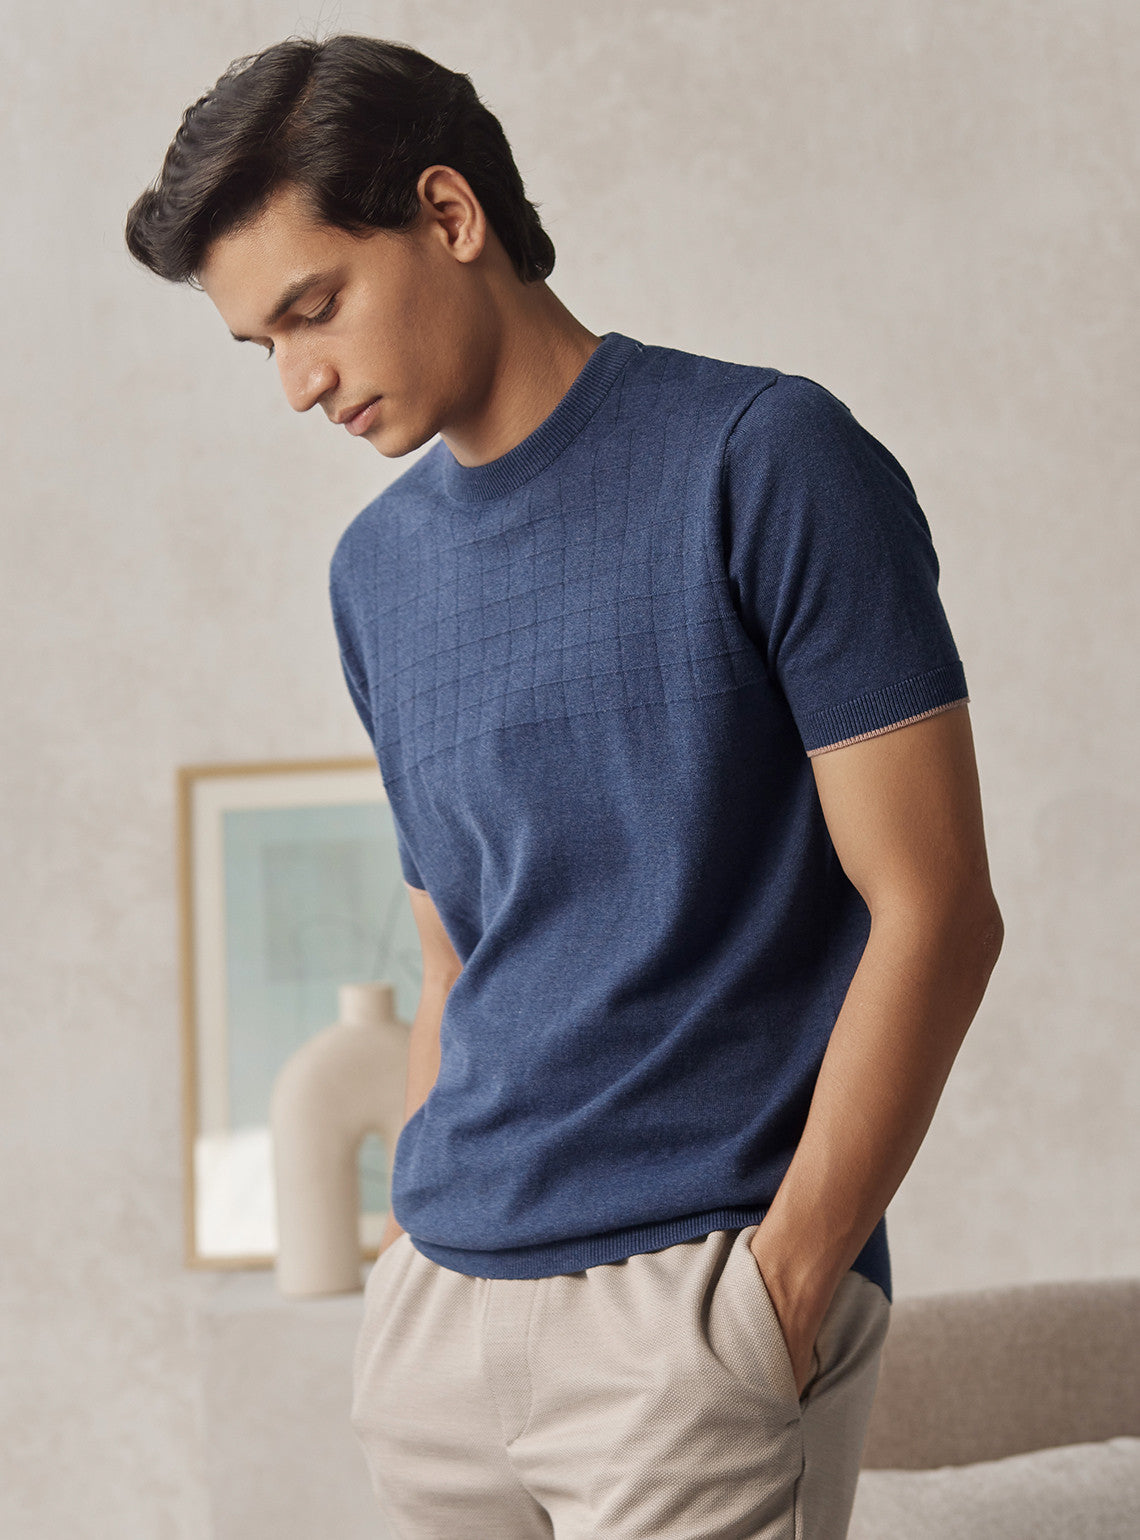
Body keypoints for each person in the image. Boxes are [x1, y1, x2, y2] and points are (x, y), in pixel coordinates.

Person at [125, 32, 1004, 1540]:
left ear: (449, 214)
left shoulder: (766, 461)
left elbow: (938, 909)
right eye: (260, 344)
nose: (297, 383)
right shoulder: (374, 573)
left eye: (312, 309)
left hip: (695, 1306)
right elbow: (451, 958)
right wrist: (407, 1261)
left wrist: (787, 1284)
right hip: (442, 1324)